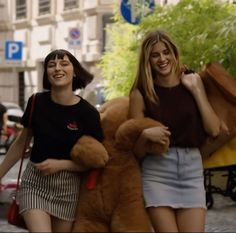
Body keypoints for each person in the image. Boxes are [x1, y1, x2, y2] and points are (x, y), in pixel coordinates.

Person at [0, 49, 105, 232]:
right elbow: (20, 144)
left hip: (68, 189)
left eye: (64, 64)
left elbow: (97, 160)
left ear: (74, 71)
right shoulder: (36, 102)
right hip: (34, 183)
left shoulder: (88, 113)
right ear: (47, 73)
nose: (57, 68)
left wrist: (62, 165)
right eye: (51, 65)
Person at [128, 30, 221, 232]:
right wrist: (144, 136)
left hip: (192, 172)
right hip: (157, 173)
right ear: (147, 60)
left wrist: (196, 89)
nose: (162, 59)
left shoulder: (193, 82)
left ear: (174, 53)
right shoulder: (140, 94)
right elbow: (135, 152)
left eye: (166, 52)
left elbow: (214, 129)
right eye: (155, 55)